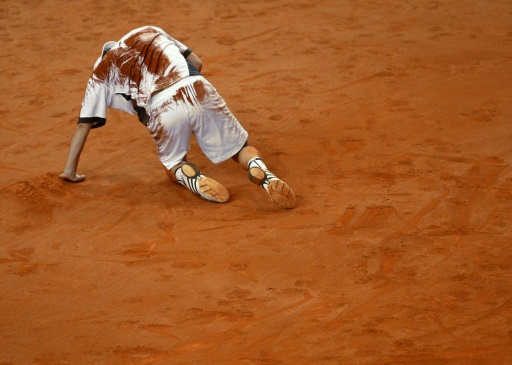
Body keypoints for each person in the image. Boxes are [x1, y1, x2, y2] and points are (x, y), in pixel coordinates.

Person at [60, 26, 296, 209]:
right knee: (241, 149)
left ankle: (187, 175)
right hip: (197, 86)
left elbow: (83, 126)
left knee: (172, 165)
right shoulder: (148, 31)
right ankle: (259, 169)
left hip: (162, 108)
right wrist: (194, 103)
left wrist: (70, 171)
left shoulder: (100, 74)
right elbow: (197, 62)